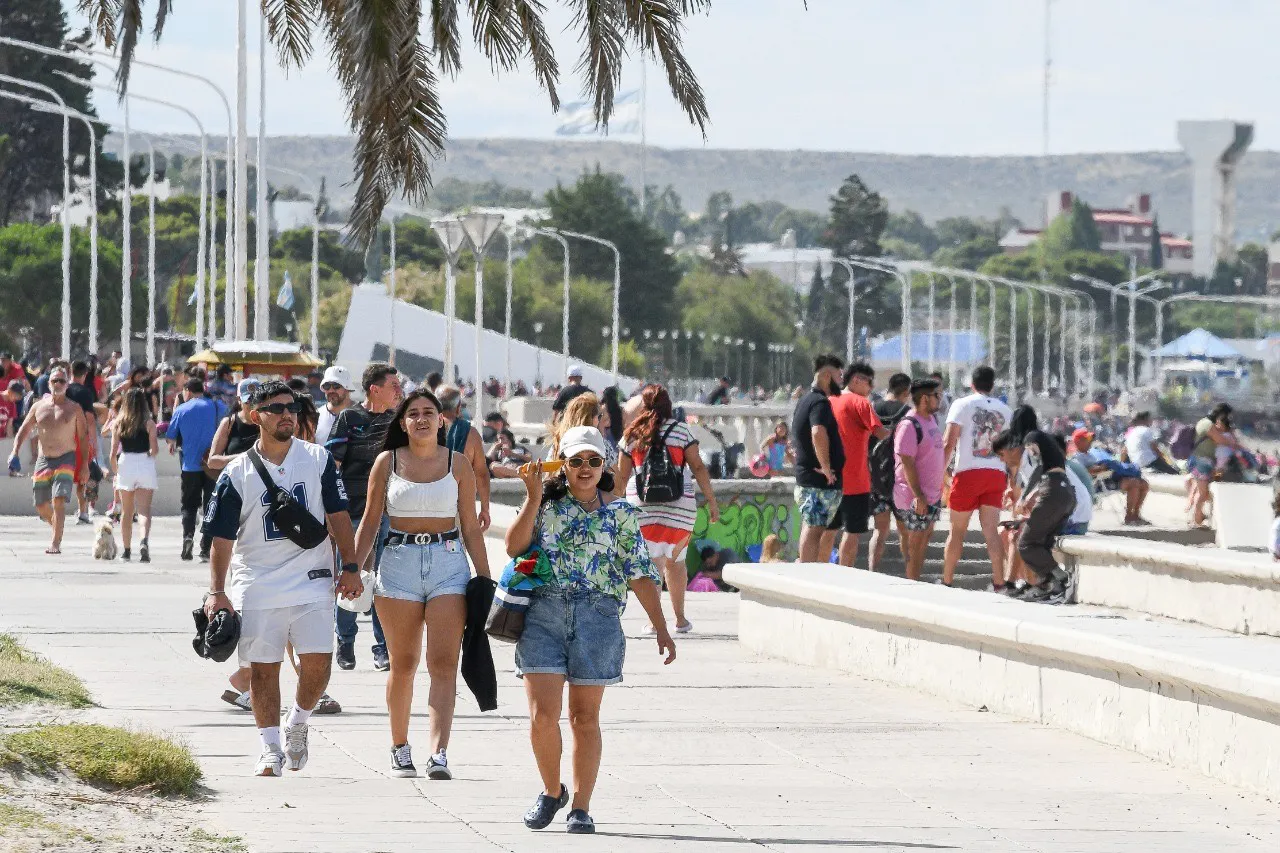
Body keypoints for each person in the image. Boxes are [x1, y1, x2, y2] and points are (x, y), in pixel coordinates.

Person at [505, 427, 675, 835]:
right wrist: (531, 497)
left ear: (605, 466)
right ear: (562, 465)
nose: (585, 469)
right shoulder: (544, 503)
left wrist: (661, 628)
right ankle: (551, 790)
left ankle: (581, 806)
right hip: (543, 613)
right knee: (541, 716)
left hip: (597, 619)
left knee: (584, 718)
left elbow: (640, 575)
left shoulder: (621, 515)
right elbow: (513, 547)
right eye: (576, 461)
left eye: (593, 461)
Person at [202, 381, 363, 777]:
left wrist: (352, 566)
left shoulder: (318, 459)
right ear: (256, 415)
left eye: (291, 407)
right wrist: (216, 592)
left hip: (313, 576)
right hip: (257, 579)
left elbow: (339, 515)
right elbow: (221, 538)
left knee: (318, 663)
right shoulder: (236, 472)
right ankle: (270, 747)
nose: (287, 414)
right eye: (276, 408)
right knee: (263, 669)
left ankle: (298, 722)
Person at [352, 389, 490, 779]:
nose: (422, 419)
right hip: (398, 563)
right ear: (402, 423)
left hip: (448, 562)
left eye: (429, 412)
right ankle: (399, 746)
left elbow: (470, 527)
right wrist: (351, 568)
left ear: (441, 420)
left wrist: (483, 578)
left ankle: (439, 753)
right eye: (413, 413)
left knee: (444, 662)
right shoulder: (387, 462)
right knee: (404, 663)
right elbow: (369, 522)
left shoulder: (458, 464)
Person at [617, 384, 720, 634]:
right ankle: (680, 619)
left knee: (651, 564)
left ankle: (654, 622)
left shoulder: (632, 435)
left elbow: (621, 477)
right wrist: (712, 502)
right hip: (680, 510)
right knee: (676, 563)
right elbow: (698, 467)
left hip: (642, 510)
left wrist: (613, 509)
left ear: (644, 406)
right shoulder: (682, 431)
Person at [326, 363, 401, 671]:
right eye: (393, 385)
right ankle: (345, 640)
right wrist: (335, 511)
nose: (398, 390)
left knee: (384, 581)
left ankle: (382, 646)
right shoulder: (349, 418)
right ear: (375, 389)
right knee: (351, 575)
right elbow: (333, 466)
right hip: (354, 513)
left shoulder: (398, 422)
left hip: (389, 513)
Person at [941, 366, 1012, 589]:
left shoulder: (962, 405)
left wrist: (939, 473)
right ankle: (999, 581)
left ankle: (947, 579)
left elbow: (948, 442)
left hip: (968, 472)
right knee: (991, 530)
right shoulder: (1005, 410)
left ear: (972, 383)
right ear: (992, 384)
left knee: (957, 531)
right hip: (996, 472)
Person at [7, 365, 90, 554]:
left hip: (66, 458)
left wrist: (84, 465)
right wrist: (15, 451)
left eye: (62, 380)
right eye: (54, 380)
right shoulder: (39, 407)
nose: (58, 384)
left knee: (58, 499)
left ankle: (55, 543)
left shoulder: (74, 408)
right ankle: (56, 527)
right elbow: (24, 430)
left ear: (67, 384)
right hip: (44, 459)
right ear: (49, 383)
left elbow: (84, 438)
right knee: (40, 504)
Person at [829, 363, 889, 567]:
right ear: (856, 380)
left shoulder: (828, 401)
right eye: (869, 382)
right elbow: (881, 433)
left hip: (828, 478)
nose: (871, 388)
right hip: (855, 480)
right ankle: (843, 575)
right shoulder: (860, 403)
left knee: (827, 531)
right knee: (852, 532)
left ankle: (818, 575)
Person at [790, 355, 845, 563]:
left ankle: (808, 574)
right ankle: (807, 576)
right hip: (817, 481)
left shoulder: (805, 400)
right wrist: (827, 467)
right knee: (814, 530)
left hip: (809, 478)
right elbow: (817, 432)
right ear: (827, 375)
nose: (841, 381)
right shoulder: (819, 402)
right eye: (839, 375)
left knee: (812, 527)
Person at [1010, 430, 1077, 603]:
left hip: (1053, 494)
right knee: (1042, 543)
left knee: (1026, 544)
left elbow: (1039, 472)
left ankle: (1061, 578)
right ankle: (1052, 587)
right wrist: (1031, 495)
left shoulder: (1043, 461)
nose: (1029, 452)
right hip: (1066, 494)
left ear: (1035, 444)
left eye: (1029, 447)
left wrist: (1024, 496)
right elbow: (1047, 475)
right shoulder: (1056, 458)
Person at [167, 377, 227, 561]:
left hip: (190, 465)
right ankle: (205, 547)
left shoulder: (181, 410)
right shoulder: (219, 407)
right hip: (213, 465)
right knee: (211, 506)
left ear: (188, 390)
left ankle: (187, 536)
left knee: (189, 506)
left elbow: (170, 437)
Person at [892, 377, 945, 581]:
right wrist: (919, 496)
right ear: (925, 398)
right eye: (936, 396)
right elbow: (907, 462)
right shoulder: (909, 424)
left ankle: (915, 583)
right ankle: (911, 588)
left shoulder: (931, 420)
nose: (939, 400)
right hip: (915, 497)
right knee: (915, 546)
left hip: (932, 495)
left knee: (923, 541)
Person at [110, 388, 158, 562]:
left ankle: (127, 550)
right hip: (144, 462)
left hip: (126, 462)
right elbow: (155, 450)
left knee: (127, 511)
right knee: (144, 510)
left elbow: (113, 452)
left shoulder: (119, 422)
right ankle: (144, 541)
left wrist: (116, 472)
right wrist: (149, 453)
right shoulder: (149, 423)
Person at [435, 385, 492, 531]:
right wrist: (485, 509)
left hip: (426, 503)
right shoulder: (471, 434)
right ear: (458, 407)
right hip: (460, 508)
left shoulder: (425, 428)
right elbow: (481, 474)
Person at [1072, 428, 1149, 525]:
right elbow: (1085, 472)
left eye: (1090, 439)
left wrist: (1105, 467)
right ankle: (1129, 516)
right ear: (1079, 442)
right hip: (1097, 484)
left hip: (1106, 479)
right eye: (1087, 440)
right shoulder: (1077, 457)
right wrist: (1102, 468)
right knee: (1134, 483)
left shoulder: (1091, 454)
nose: (1090, 442)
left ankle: (1136, 515)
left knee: (1144, 484)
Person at [1188, 404, 1238, 527]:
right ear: (1222, 414)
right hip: (1202, 461)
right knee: (1203, 492)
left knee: (1201, 491)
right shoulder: (1207, 424)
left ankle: (1196, 518)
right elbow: (1221, 440)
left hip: (1203, 461)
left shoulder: (1206, 423)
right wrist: (1232, 440)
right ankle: (1196, 520)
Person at [66, 360, 100, 524]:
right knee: (84, 476)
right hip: (80, 438)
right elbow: (90, 418)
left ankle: (50, 507)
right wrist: (93, 442)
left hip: (62, 438)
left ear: (70, 371)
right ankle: (84, 511)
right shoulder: (85, 392)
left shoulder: (62, 390)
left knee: (60, 474)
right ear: (85, 374)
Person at [314, 365, 356, 448]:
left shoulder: (362, 414)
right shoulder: (316, 416)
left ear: (347, 388)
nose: (331, 390)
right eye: (327, 386)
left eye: (336, 386)